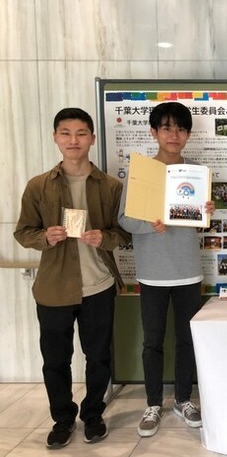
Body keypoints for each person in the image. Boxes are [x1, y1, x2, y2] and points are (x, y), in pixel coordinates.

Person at [14, 108, 131, 448]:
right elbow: (23, 231)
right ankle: (62, 419)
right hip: (54, 288)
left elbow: (124, 233)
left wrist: (104, 238)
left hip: (99, 285)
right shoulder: (39, 185)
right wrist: (44, 237)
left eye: (81, 133)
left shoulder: (111, 186)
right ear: (55, 137)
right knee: (55, 360)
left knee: (99, 357)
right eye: (65, 133)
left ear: (92, 138)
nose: (73, 140)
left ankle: (93, 415)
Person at [118, 102, 214, 438]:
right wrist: (149, 226)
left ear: (188, 135)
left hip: (188, 269)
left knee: (187, 339)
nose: (174, 135)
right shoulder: (141, 173)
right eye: (167, 127)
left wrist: (206, 212)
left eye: (181, 129)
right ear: (154, 132)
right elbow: (124, 219)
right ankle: (153, 403)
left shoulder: (196, 172)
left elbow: (200, 224)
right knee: (153, 341)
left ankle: (183, 399)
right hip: (152, 272)